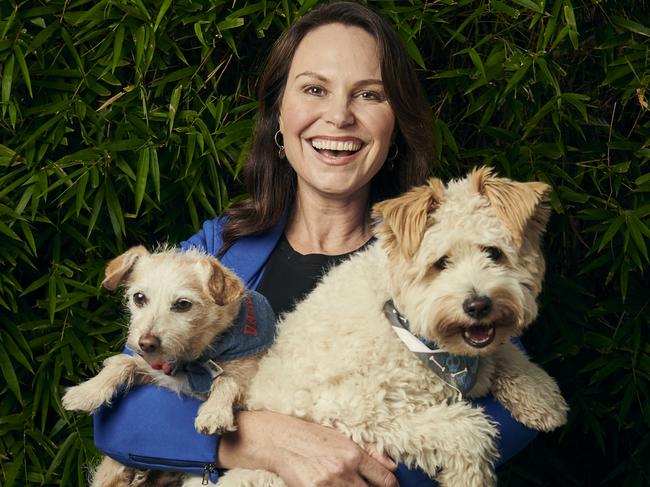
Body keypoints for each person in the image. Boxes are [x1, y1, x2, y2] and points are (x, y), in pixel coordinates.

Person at [94, 2, 537, 486]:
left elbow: (510, 417)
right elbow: (122, 417)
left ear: (396, 124)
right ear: (279, 114)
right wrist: (270, 441)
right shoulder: (215, 253)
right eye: (314, 89)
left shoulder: (448, 252)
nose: (340, 115)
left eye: (369, 94)